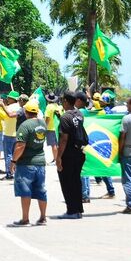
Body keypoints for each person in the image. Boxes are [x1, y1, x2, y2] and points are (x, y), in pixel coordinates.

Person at [10, 102, 48, 226]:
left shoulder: (24, 125)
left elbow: (20, 145)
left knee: (25, 191)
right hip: (40, 162)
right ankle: (43, 217)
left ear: (26, 112)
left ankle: (25, 219)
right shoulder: (42, 123)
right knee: (41, 189)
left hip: (26, 163)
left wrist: (13, 160)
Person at [55, 91, 86, 219]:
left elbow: (64, 139)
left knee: (67, 182)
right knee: (76, 181)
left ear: (66, 101)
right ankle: (78, 209)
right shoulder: (79, 114)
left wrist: (58, 157)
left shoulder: (65, 117)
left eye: (62, 100)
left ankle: (71, 211)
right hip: (79, 152)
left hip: (68, 153)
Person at [0, 91, 22, 180]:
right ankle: (16, 172)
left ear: (13, 99)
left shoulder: (8, 108)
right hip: (17, 134)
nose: (7, 99)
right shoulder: (20, 108)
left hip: (8, 134)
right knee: (16, 154)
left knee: (8, 154)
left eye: (9, 97)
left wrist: (2, 105)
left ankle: (9, 173)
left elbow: (2, 116)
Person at [44, 93, 62, 164]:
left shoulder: (49, 107)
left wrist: (44, 127)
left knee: (53, 145)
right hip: (57, 127)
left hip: (51, 128)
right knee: (57, 144)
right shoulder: (57, 106)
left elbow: (47, 118)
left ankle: (55, 160)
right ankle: (57, 159)